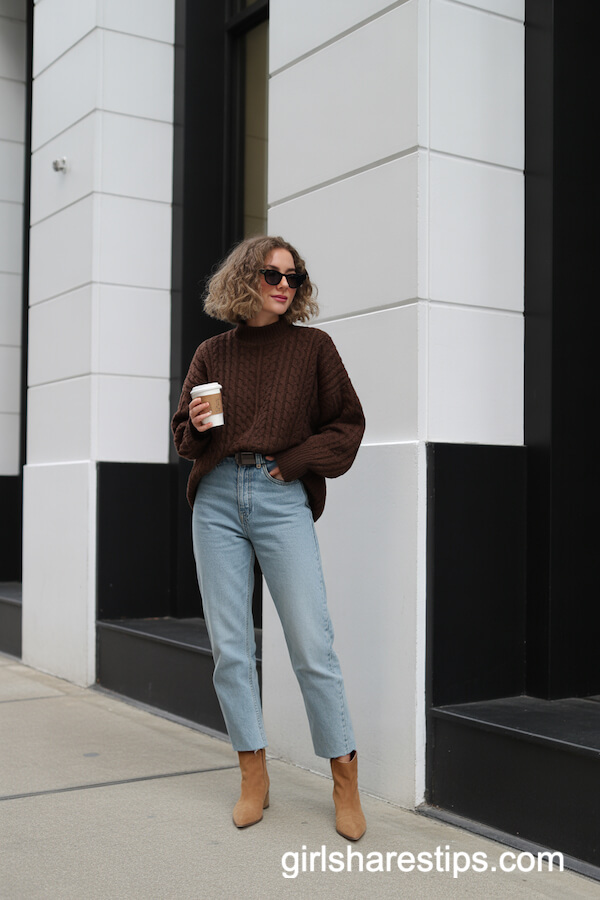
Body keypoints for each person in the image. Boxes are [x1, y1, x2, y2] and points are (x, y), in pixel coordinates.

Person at [171, 235, 366, 840]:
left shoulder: (314, 348)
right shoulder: (212, 352)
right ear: (244, 279)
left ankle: (344, 780)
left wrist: (297, 460)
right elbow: (183, 438)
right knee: (231, 647)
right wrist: (198, 425)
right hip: (216, 499)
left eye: (293, 276)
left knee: (311, 643)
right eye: (272, 274)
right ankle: (252, 774)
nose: (285, 285)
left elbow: (348, 424)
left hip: (280, 498)